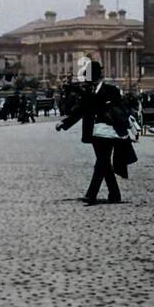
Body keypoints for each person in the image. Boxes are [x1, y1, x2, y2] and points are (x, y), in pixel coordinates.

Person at [56, 61, 135, 204]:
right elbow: (79, 111)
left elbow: (119, 108)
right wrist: (64, 123)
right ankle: (114, 194)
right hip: (94, 132)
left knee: (102, 161)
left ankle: (92, 195)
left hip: (109, 131)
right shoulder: (87, 92)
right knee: (103, 162)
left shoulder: (111, 90)